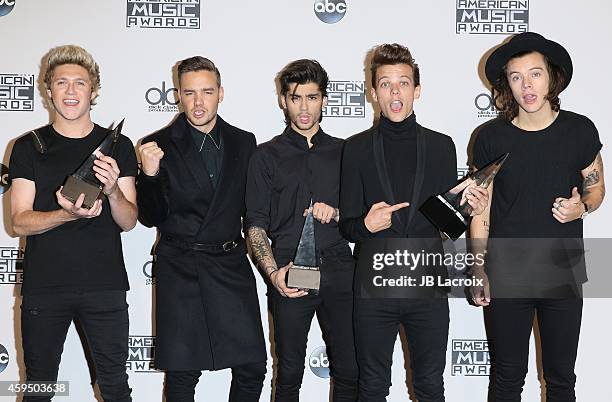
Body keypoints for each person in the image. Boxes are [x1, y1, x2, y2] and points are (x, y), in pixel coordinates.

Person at [339, 43, 488, 402]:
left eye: (403, 83)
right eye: (386, 84)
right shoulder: (355, 148)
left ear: (416, 90)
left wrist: (468, 208)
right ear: (373, 92)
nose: (395, 92)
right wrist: (365, 226)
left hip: (427, 285)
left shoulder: (441, 146)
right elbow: (347, 226)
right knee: (372, 386)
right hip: (374, 283)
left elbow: (444, 225)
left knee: (430, 386)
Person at [470, 32, 605, 402]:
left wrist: (584, 207)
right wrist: (479, 269)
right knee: (507, 379)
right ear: (506, 84)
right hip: (507, 273)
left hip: (562, 273)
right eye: (516, 76)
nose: (526, 85)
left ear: (552, 77)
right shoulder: (490, 138)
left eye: (535, 74)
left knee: (561, 379)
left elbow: (596, 188)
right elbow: (481, 213)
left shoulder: (579, 130)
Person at [9, 45, 137, 401]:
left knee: (114, 388)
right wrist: (66, 214)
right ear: (47, 90)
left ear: (93, 90)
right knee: (39, 387)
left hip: (105, 286)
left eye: (79, 83)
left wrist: (112, 191)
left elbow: (128, 221)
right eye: (61, 83)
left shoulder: (118, 146)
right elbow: (19, 222)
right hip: (45, 287)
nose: (69, 91)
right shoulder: (27, 147)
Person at [137, 56, 266, 402]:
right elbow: (150, 217)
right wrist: (148, 175)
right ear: (177, 95)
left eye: (207, 92)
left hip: (230, 261)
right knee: (182, 372)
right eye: (189, 93)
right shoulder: (157, 144)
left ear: (221, 93)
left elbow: (253, 209)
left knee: (253, 366)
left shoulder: (244, 142)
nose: (198, 102)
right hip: (180, 264)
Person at [246, 59, 358, 402]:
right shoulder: (265, 156)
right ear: (283, 100)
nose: (304, 107)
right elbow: (254, 226)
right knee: (289, 372)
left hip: (340, 266)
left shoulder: (346, 152)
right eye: (296, 98)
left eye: (312, 97)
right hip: (291, 268)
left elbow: (359, 218)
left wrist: (337, 213)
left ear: (324, 99)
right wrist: (273, 274)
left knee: (351, 371)